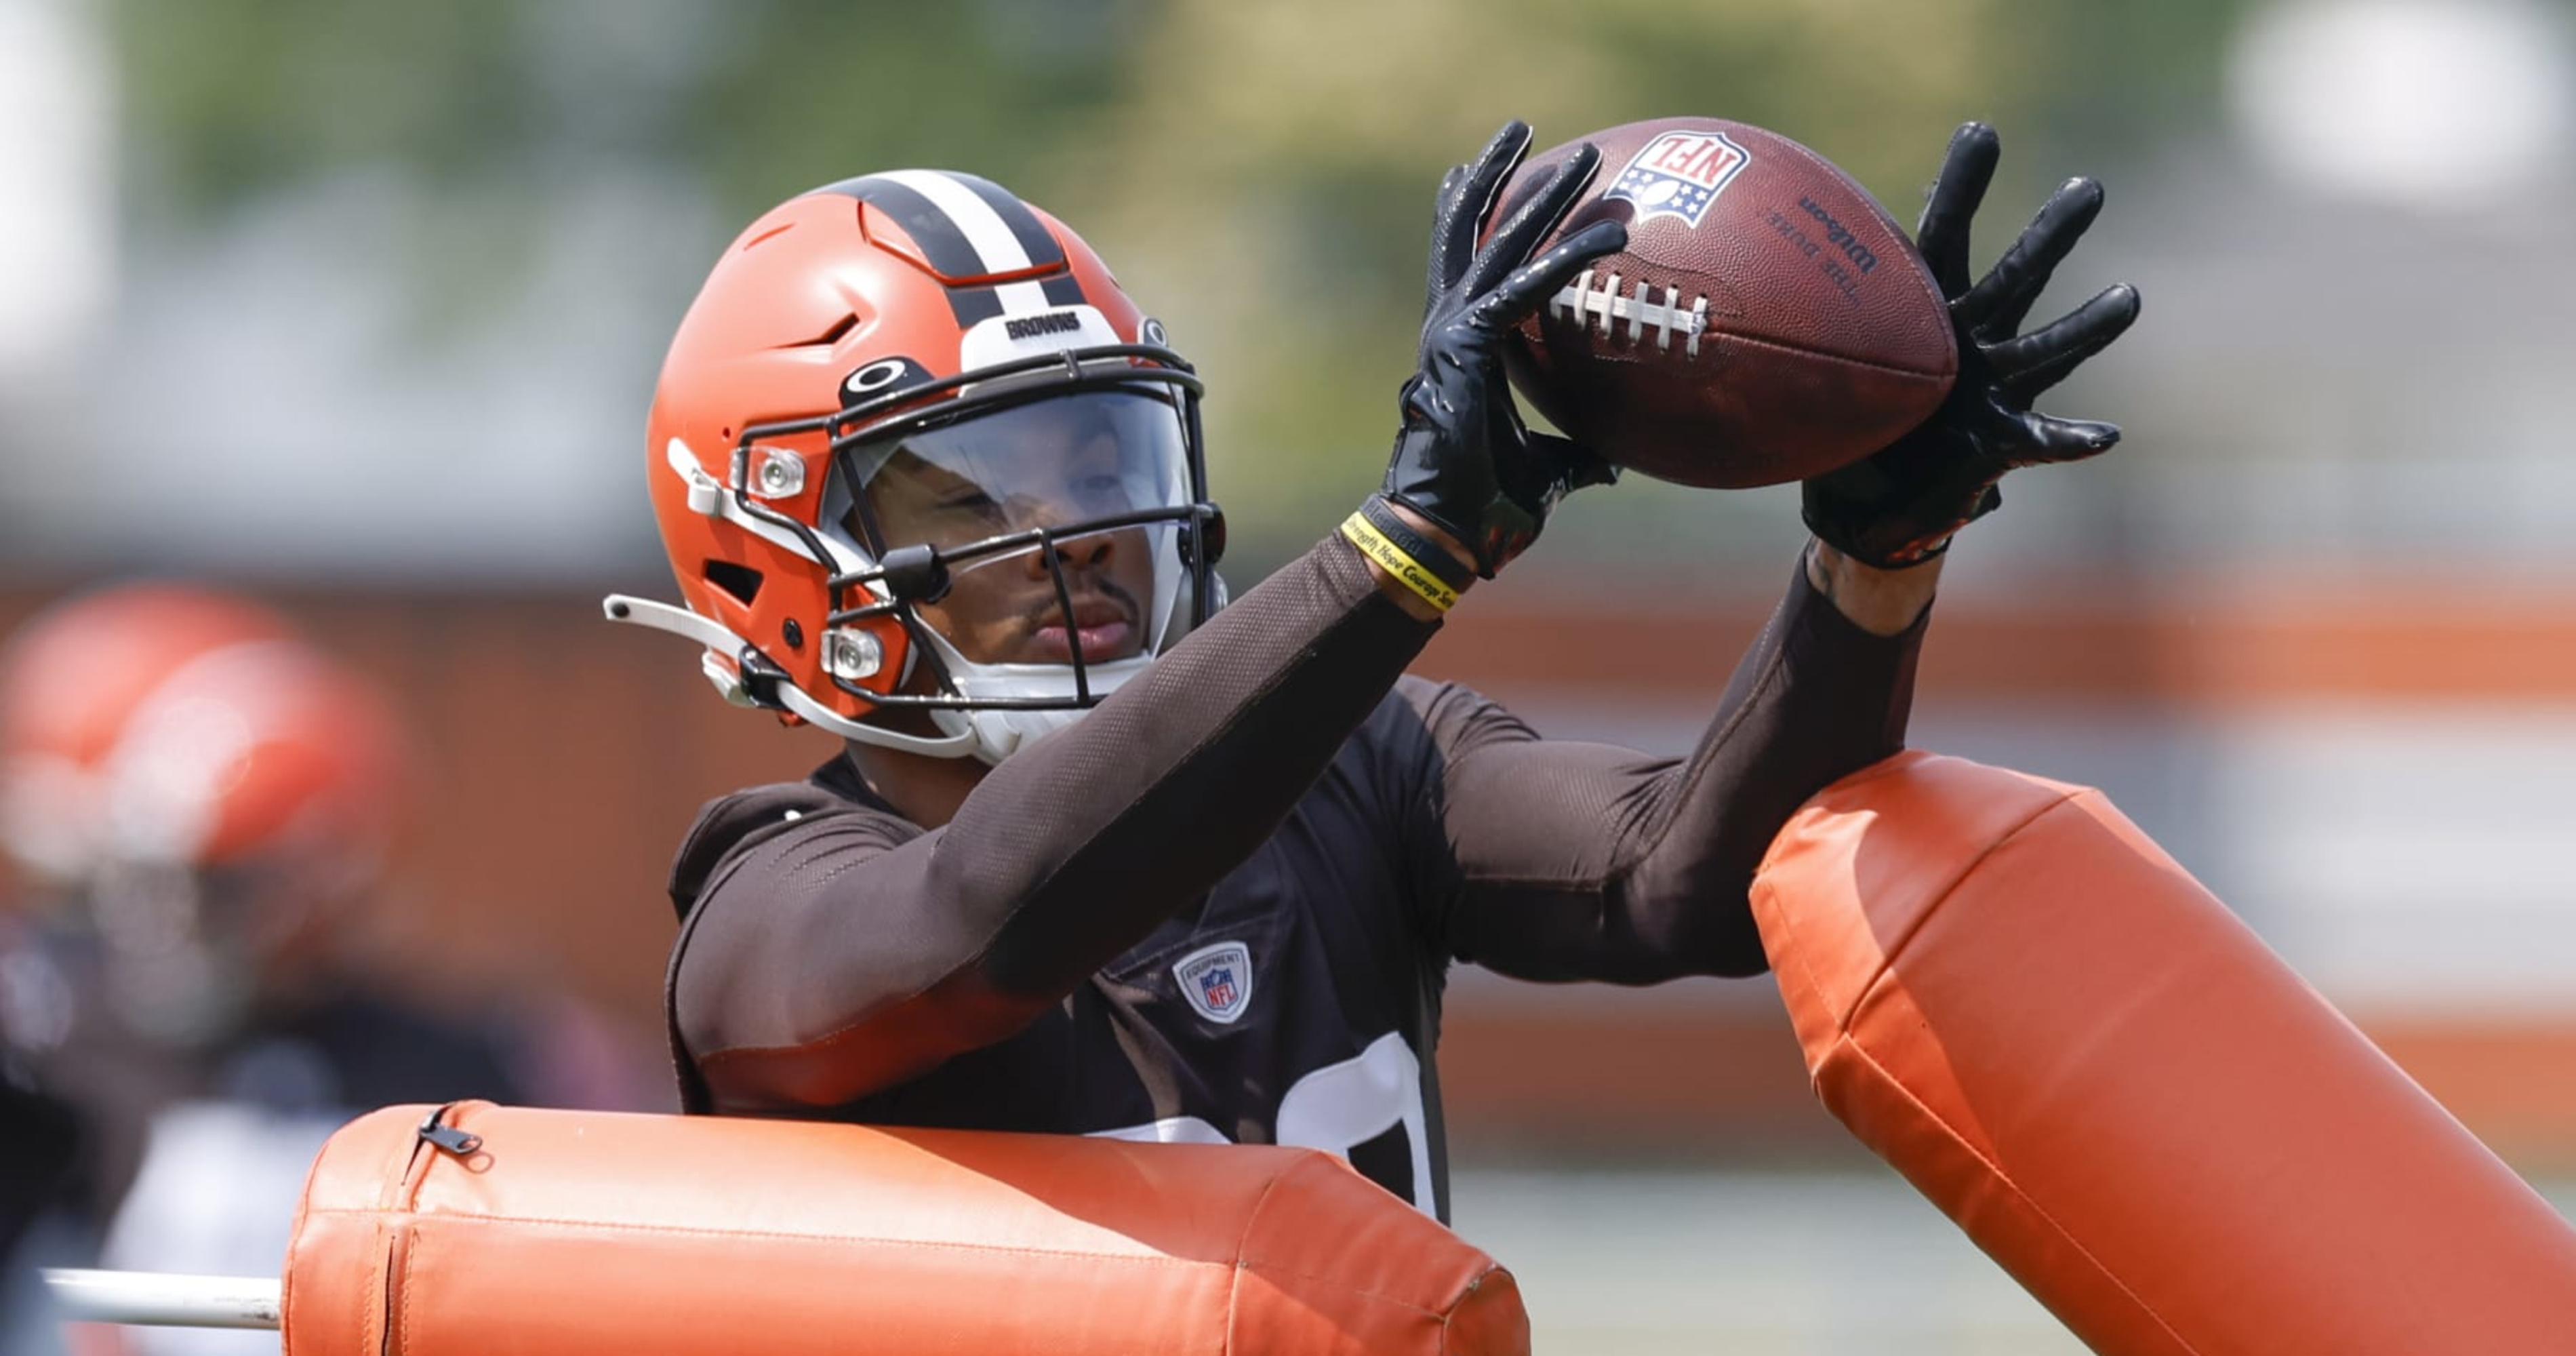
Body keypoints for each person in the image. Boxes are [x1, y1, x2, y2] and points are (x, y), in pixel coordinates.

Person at [610, 119, 2140, 1221]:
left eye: (1097, 461)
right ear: (772, 552)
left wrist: (1874, 562)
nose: (1071, 531)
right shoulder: (760, 916)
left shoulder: (1360, 762)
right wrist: (1402, 544)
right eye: (972, 490)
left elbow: (1691, 878)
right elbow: (981, 923)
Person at [0, 584, 564, 1355]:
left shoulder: (456, 1063)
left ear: (321, 878)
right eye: (156, 880)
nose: (169, 919)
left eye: (218, 887)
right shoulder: (53, 1027)